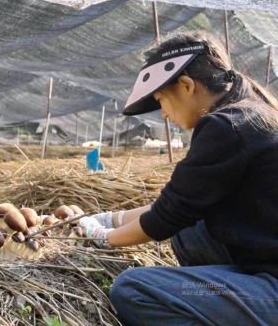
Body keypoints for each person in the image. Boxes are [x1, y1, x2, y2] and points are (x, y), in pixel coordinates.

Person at [76, 31, 278, 325]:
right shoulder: (254, 109)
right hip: (267, 262)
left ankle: (232, 304)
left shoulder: (226, 126)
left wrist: (103, 238)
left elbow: (167, 216)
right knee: (191, 231)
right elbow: (185, 206)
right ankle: (224, 303)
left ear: (186, 86)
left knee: (134, 289)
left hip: (272, 286)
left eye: (161, 100)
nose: (164, 115)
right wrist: (112, 218)